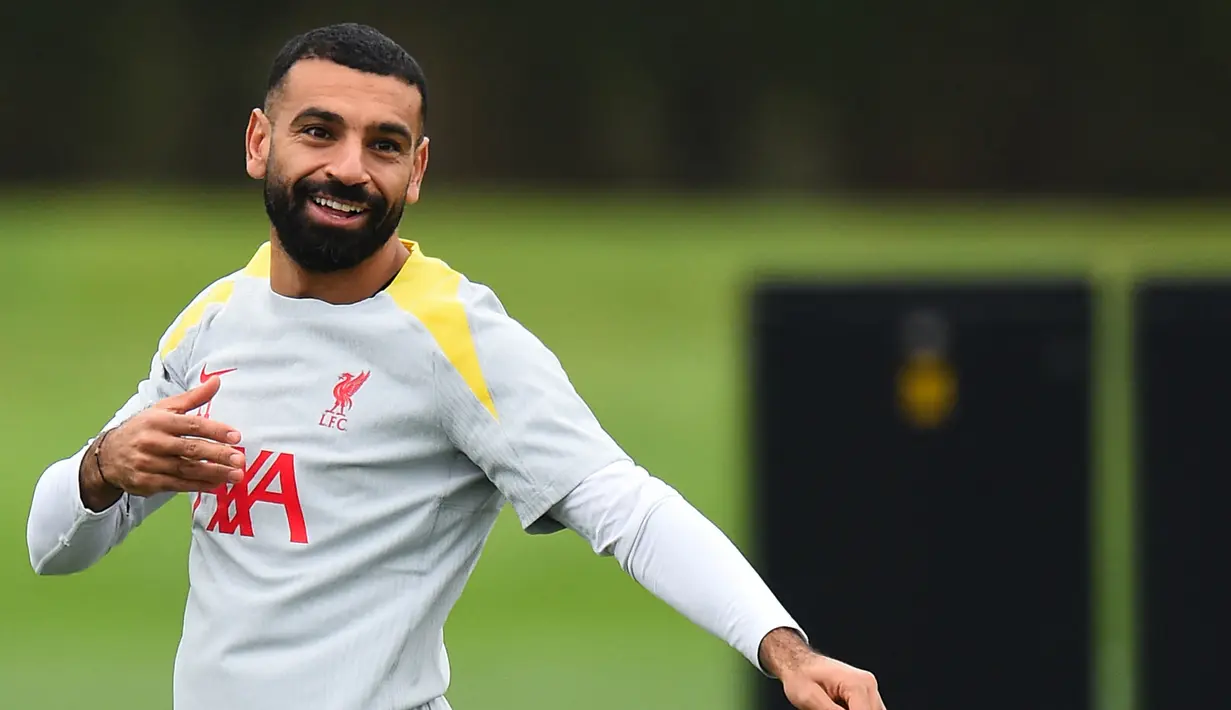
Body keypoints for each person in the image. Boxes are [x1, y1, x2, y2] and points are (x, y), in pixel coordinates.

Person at [25, 22, 886, 710]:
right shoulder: (214, 318)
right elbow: (51, 547)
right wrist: (104, 470)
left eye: (384, 145)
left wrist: (783, 650)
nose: (349, 168)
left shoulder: (456, 336)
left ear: (417, 170)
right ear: (259, 141)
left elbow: (626, 506)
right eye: (319, 132)